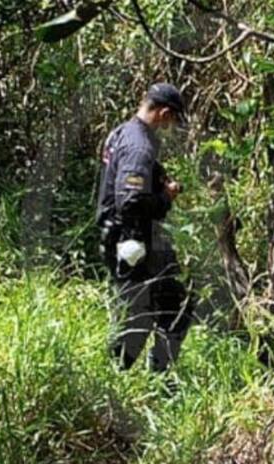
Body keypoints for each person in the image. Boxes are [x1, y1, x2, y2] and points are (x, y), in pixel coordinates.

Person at [95, 83, 194, 372]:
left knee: (161, 310)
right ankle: (146, 381)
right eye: (174, 120)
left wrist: (157, 177)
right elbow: (130, 202)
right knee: (150, 317)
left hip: (126, 238)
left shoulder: (123, 132)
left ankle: (143, 378)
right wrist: (166, 196)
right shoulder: (140, 144)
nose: (172, 128)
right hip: (133, 241)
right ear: (164, 113)